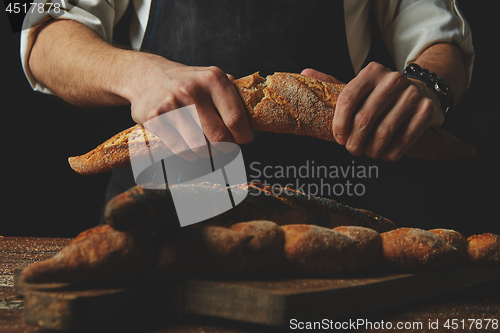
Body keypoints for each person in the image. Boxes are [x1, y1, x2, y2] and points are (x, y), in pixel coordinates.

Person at [20, 0, 474, 222]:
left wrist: (426, 82)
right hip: (167, 213)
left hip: (334, 215)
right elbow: (44, 30)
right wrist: (137, 74)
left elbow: (439, 34)